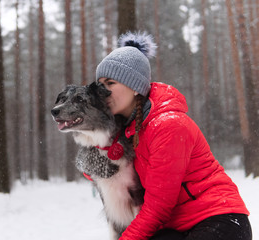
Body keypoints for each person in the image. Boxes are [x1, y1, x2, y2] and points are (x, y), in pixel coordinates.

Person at [94, 31, 252, 240]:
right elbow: (103, 172)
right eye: (100, 85)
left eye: (110, 83)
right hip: (175, 227)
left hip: (218, 218)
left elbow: (158, 206)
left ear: (135, 87)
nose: (102, 92)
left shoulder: (168, 125)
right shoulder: (126, 129)